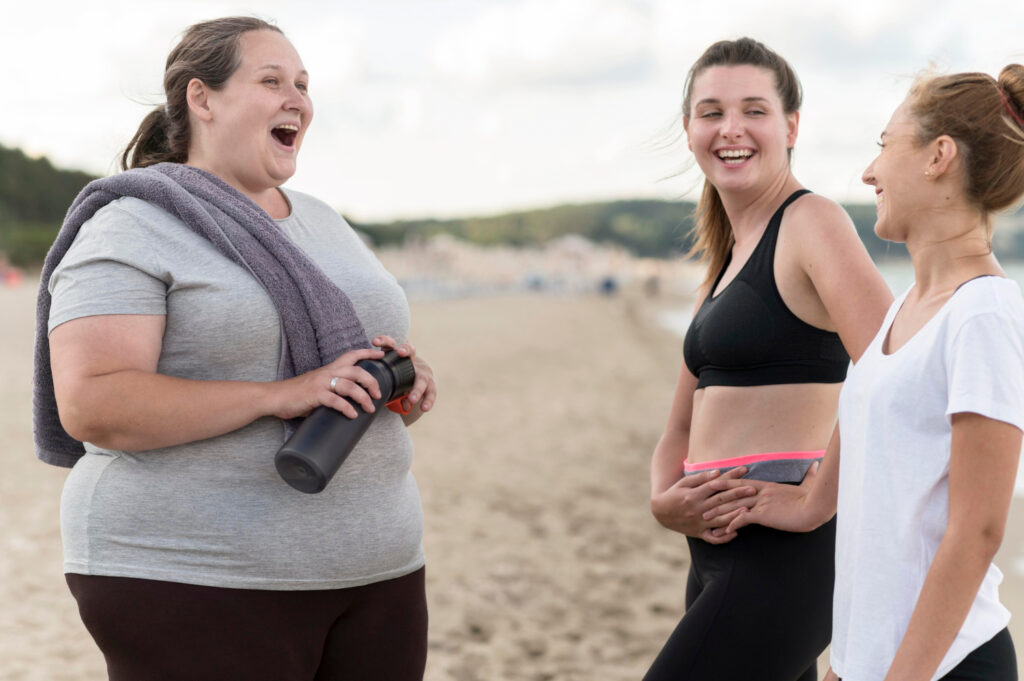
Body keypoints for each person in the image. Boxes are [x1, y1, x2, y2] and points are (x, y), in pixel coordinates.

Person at [32, 16, 436, 681]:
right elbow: (93, 400)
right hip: (194, 575)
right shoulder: (131, 224)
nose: (297, 99)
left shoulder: (324, 221)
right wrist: (282, 394)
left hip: (378, 574)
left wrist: (399, 384)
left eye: (304, 85)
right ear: (203, 98)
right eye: (271, 80)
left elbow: (349, 386)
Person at [715, 66, 1024, 681]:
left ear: (939, 156)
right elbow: (874, 446)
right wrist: (807, 504)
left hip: (947, 666)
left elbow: (978, 531)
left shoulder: (984, 314)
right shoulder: (905, 311)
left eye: (884, 145)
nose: (868, 171)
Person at [644, 38, 893, 681]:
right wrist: (662, 499)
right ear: (689, 130)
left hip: (786, 555)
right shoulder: (727, 254)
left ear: (791, 126)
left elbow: (896, 376)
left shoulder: (812, 221)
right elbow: (680, 422)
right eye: (711, 112)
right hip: (713, 552)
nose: (731, 129)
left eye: (754, 110)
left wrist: (816, 501)